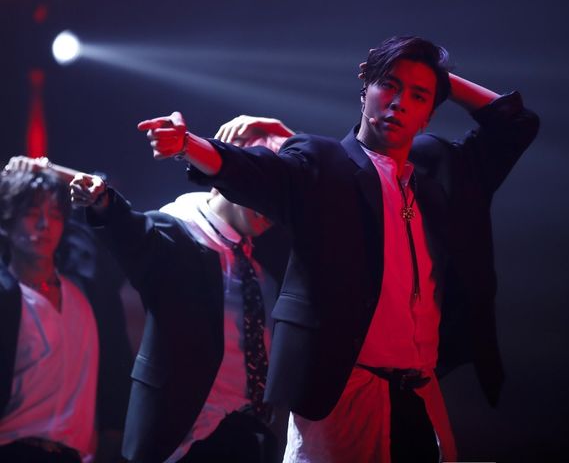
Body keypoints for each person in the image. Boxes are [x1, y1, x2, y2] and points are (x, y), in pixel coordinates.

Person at [140, 35, 540, 462]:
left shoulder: (435, 168)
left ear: (428, 115)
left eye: (418, 96)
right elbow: (255, 170)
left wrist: (438, 78)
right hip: (345, 394)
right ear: (364, 88)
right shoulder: (321, 161)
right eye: (389, 84)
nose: (399, 102)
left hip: (420, 391)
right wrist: (187, 145)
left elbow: (515, 124)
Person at [70, 119, 292, 463]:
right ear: (231, 178)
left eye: (278, 193)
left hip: (251, 436)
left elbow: (325, 195)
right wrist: (102, 202)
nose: (272, 205)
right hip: (183, 440)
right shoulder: (178, 232)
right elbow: (131, 232)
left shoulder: (267, 247)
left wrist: (284, 134)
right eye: (261, 187)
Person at [0, 167, 99, 463]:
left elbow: (100, 194)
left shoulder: (82, 295)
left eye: (55, 215)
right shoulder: (8, 297)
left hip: (73, 455)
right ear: (7, 221)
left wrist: (47, 169)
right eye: (32, 213)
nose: (45, 225)